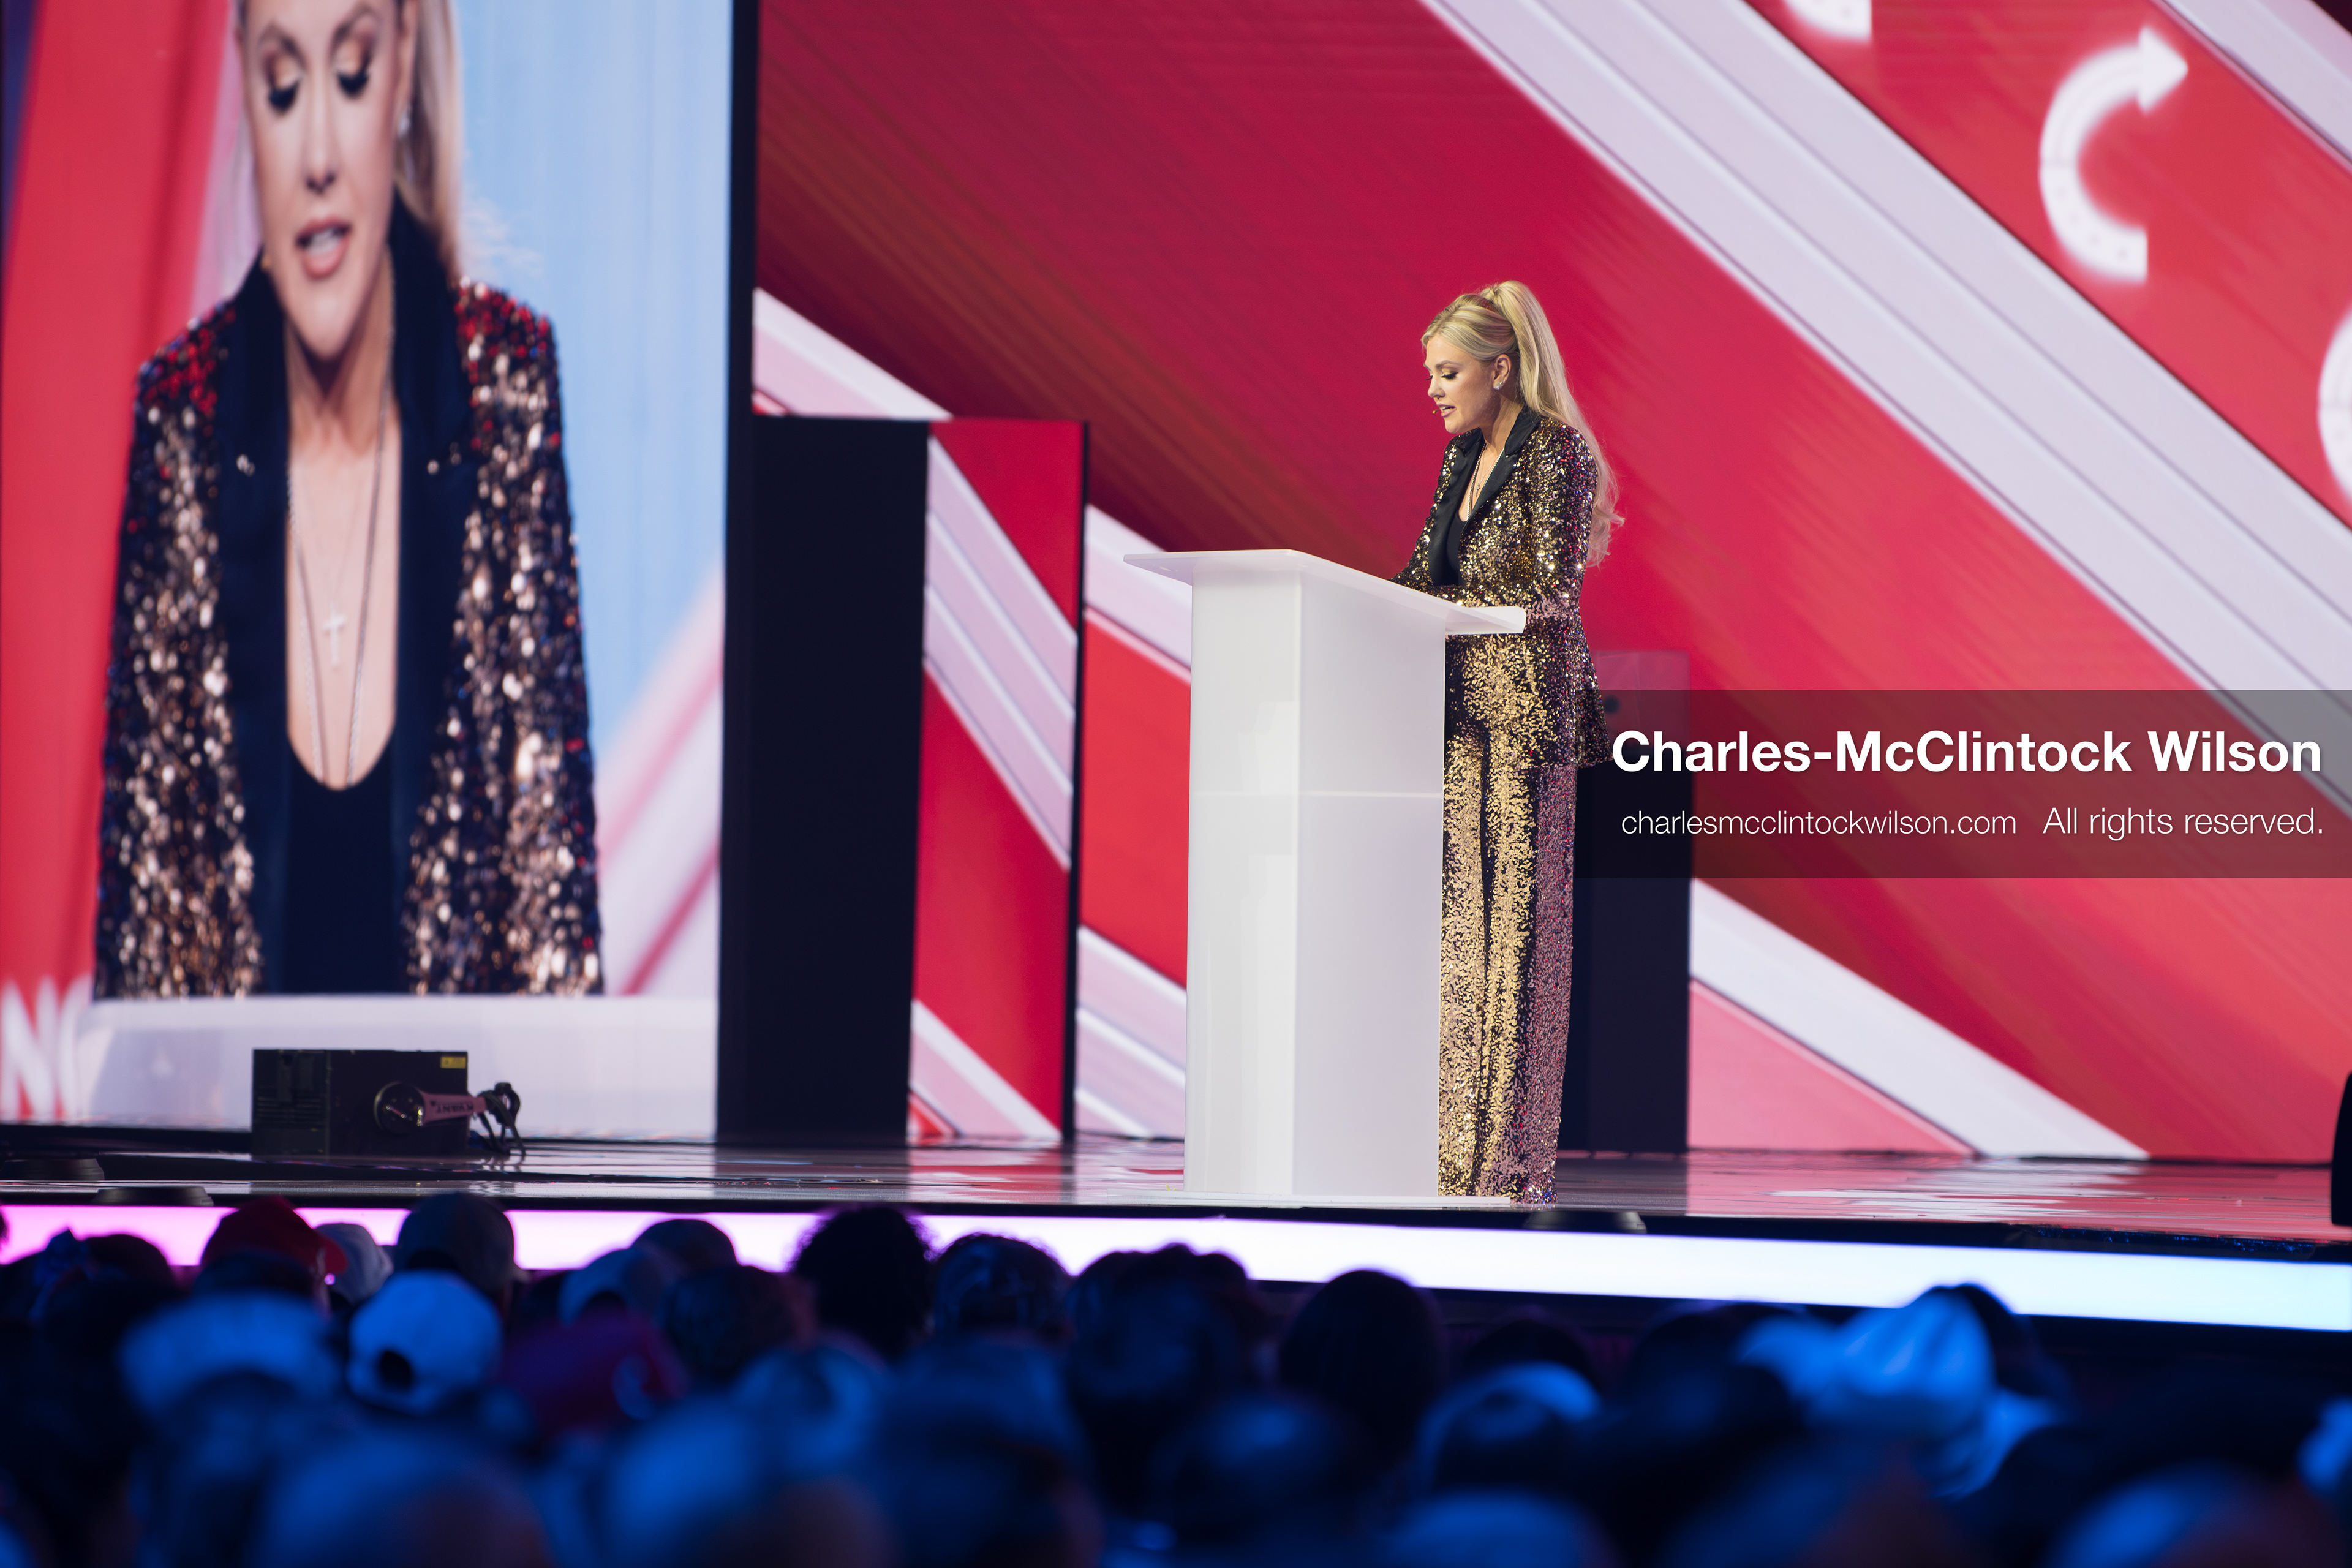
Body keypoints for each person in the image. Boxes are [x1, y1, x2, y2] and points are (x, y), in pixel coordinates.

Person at [95, 0, 599, 998]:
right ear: (243, 83)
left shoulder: (504, 395)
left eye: (355, 70)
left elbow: (554, 981)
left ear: (406, 65)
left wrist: (419, 1137)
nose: (318, 150)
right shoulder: (182, 431)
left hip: (449, 1153)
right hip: (235, 1156)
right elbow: (141, 988)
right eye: (283, 88)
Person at [1393, 282, 1618, 1201]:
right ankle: (1452, 1155)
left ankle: (1510, 1167)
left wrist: (1432, 609)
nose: (1435, 391)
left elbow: (1544, 592)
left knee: (1520, 940)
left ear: (1499, 365)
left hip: (1527, 714)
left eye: (1448, 373)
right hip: (1455, 712)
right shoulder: (1457, 462)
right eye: (1430, 375)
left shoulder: (1556, 453)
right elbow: (1419, 572)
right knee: (1460, 932)